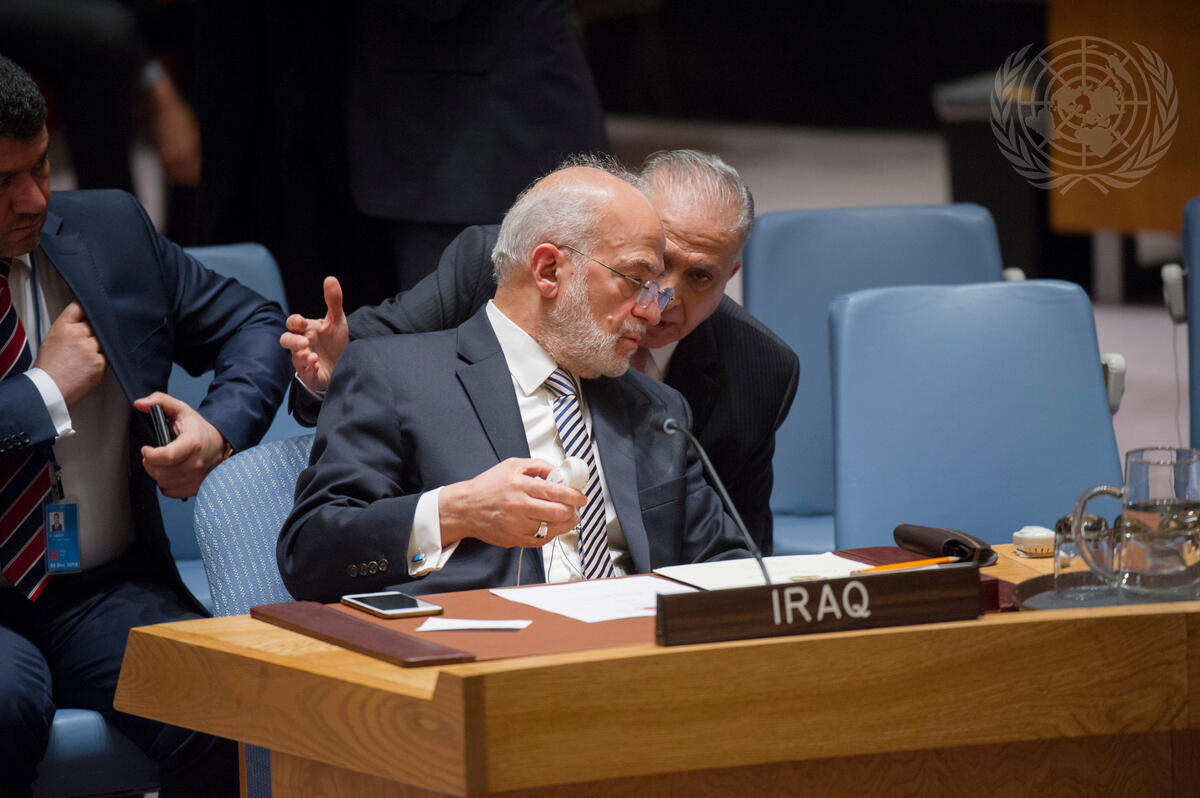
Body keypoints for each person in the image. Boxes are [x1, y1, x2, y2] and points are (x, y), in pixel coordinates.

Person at [0, 55, 290, 796]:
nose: (33, 199)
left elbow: (255, 324)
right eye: (2, 183)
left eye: (41, 166)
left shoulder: (109, 231)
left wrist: (215, 431)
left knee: (227, 696)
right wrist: (42, 390)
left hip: (99, 591)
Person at [281, 150, 798, 553]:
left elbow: (735, 554)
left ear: (730, 276)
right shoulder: (493, 270)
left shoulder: (724, 383)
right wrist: (333, 374)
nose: (658, 301)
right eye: (645, 271)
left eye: (700, 277)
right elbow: (372, 363)